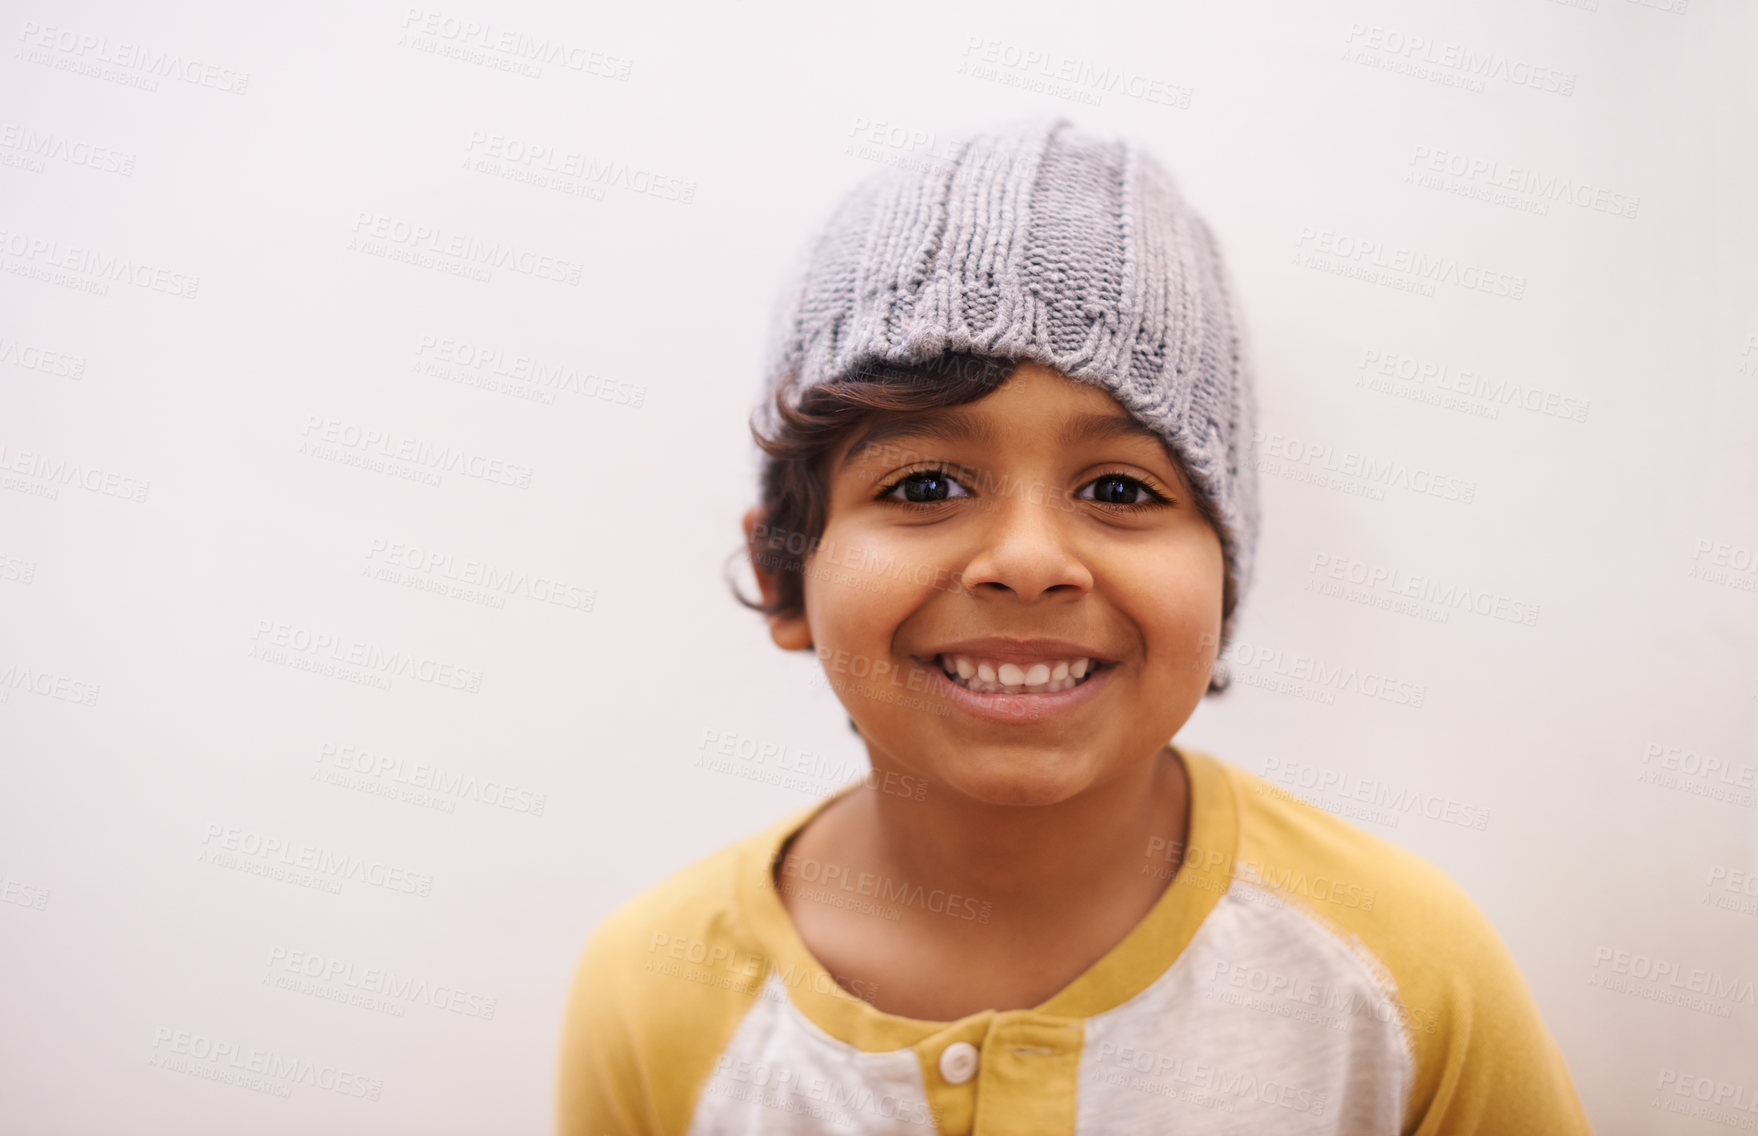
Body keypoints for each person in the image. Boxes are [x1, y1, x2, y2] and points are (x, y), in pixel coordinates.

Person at [556, 115, 1592, 1135]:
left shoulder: (1402, 973)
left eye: (1121, 487)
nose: (1029, 561)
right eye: (924, 480)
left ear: (1225, 576)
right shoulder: (656, 987)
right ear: (787, 575)